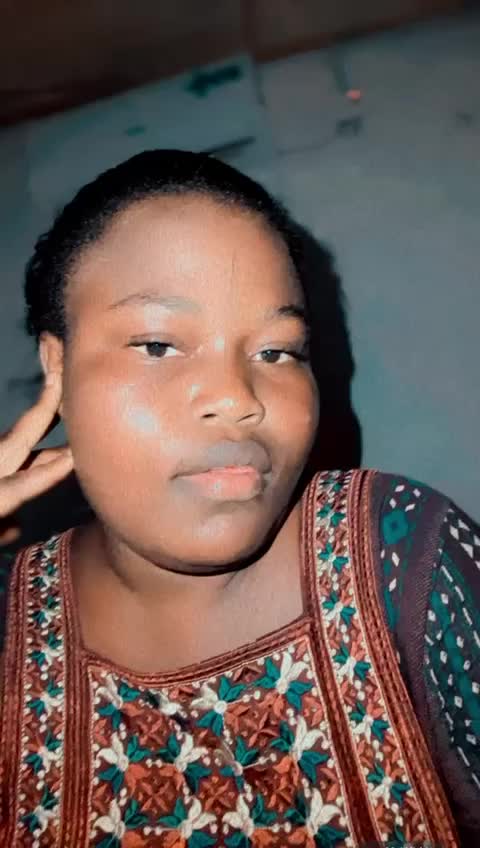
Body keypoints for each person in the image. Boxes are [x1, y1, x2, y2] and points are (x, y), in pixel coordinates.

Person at [0, 150, 478, 848]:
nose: (237, 399)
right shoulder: (7, 623)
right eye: (158, 345)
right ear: (58, 365)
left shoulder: (406, 555)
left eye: (278, 352)